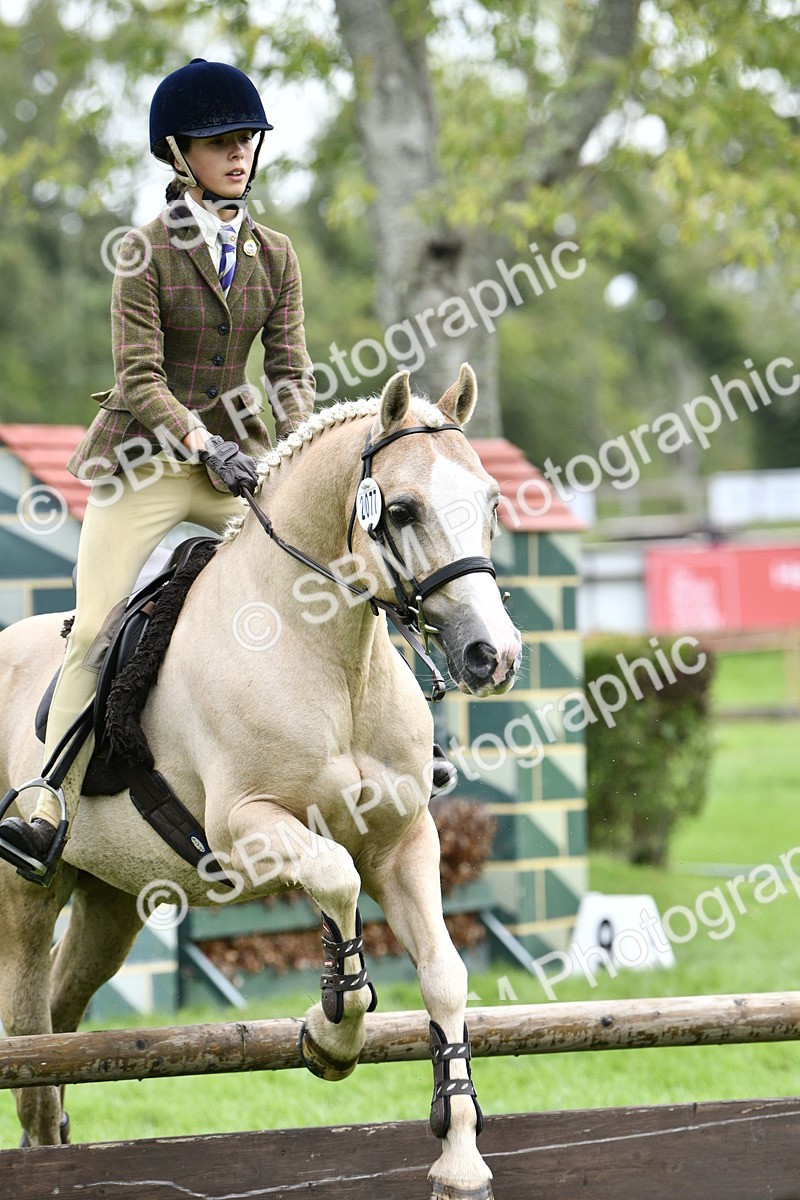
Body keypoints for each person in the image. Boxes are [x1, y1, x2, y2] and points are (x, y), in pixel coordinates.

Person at [0, 58, 315, 882]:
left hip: (234, 463)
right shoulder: (143, 252)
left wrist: (303, 450)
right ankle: (43, 802)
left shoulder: (277, 256)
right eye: (220, 142)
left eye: (246, 139)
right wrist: (202, 443)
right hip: (146, 460)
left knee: (324, 564)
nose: (239, 154)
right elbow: (139, 379)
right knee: (93, 628)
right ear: (180, 154)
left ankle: (392, 746)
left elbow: (288, 372)